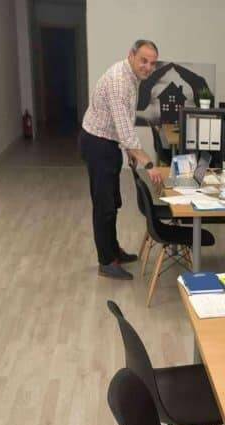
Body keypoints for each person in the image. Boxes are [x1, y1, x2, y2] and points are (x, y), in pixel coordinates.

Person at [80, 39, 163, 280]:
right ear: (131, 55)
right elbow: (125, 130)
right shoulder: (119, 82)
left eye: (152, 63)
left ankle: (113, 250)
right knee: (104, 205)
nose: (148, 67)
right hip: (97, 143)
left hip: (109, 141)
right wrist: (148, 163)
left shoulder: (132, 77)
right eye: (144, 61)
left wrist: (128, 151)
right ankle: (106, 262)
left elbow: (124, 121)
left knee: (113, 201)